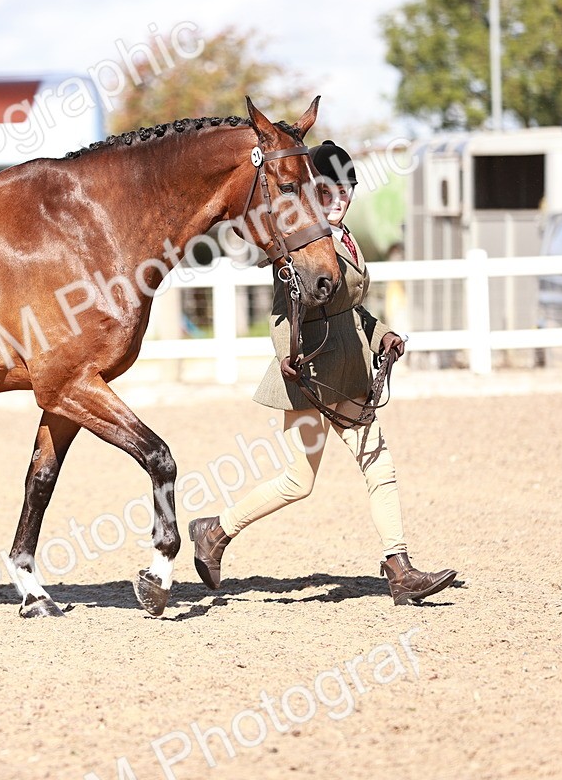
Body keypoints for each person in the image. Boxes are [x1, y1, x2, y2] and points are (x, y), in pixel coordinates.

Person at [188, 140, 457, 605]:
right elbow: (279, 315)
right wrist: (287, 357)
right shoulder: (304, 246)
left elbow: (352, 310)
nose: (341, 199)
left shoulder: (346, 238)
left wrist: (383, 335)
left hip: (347, 369)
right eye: (330, 192)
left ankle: (396, 567)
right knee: (336, 472)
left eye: (347, 190)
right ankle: (217, 532)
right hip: (310, 376)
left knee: (338, 473)